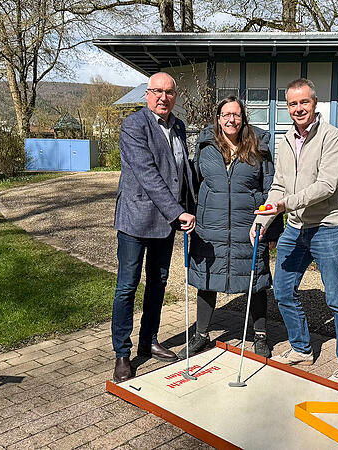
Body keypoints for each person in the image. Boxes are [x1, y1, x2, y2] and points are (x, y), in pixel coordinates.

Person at [253, 78, 338, 386]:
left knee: (337, 299)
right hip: (296, 228)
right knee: (284, 290)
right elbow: (277, 187)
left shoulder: (331, 137)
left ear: (314, 104)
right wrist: (262, 221)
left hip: (329, 228)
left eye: (304, 102)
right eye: (292, 104)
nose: (298, 108)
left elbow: (326, 187)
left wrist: (286, 204)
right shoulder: (285, 141)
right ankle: (301, 348)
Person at [178, 96, 282, 359]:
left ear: (243, 118)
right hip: (209, 226)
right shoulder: (205, 146)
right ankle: (201, 335)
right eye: (225, 115)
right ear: (218, 118)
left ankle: (260, 336)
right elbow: (193, 185)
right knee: (207, 279)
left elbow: (271, 188)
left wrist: (272, 229)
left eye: (235, 115)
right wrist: (185, 213)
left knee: (255, 280)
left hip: (247, 226)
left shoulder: (259, 146)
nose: (230, 120)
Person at [111, 72, 196, 383]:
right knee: (127, 287)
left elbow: (180, 172)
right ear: (146, 95)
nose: (163, 97)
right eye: (157, 91)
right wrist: (178, 213)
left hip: (165, 223)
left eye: (169, 92)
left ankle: (149, 340)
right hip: (135, 219)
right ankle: (122, 353)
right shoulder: (134, 126)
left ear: (176, 96)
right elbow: (148, 174)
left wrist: (192, 209)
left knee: (158, 283)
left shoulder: (179, 126)